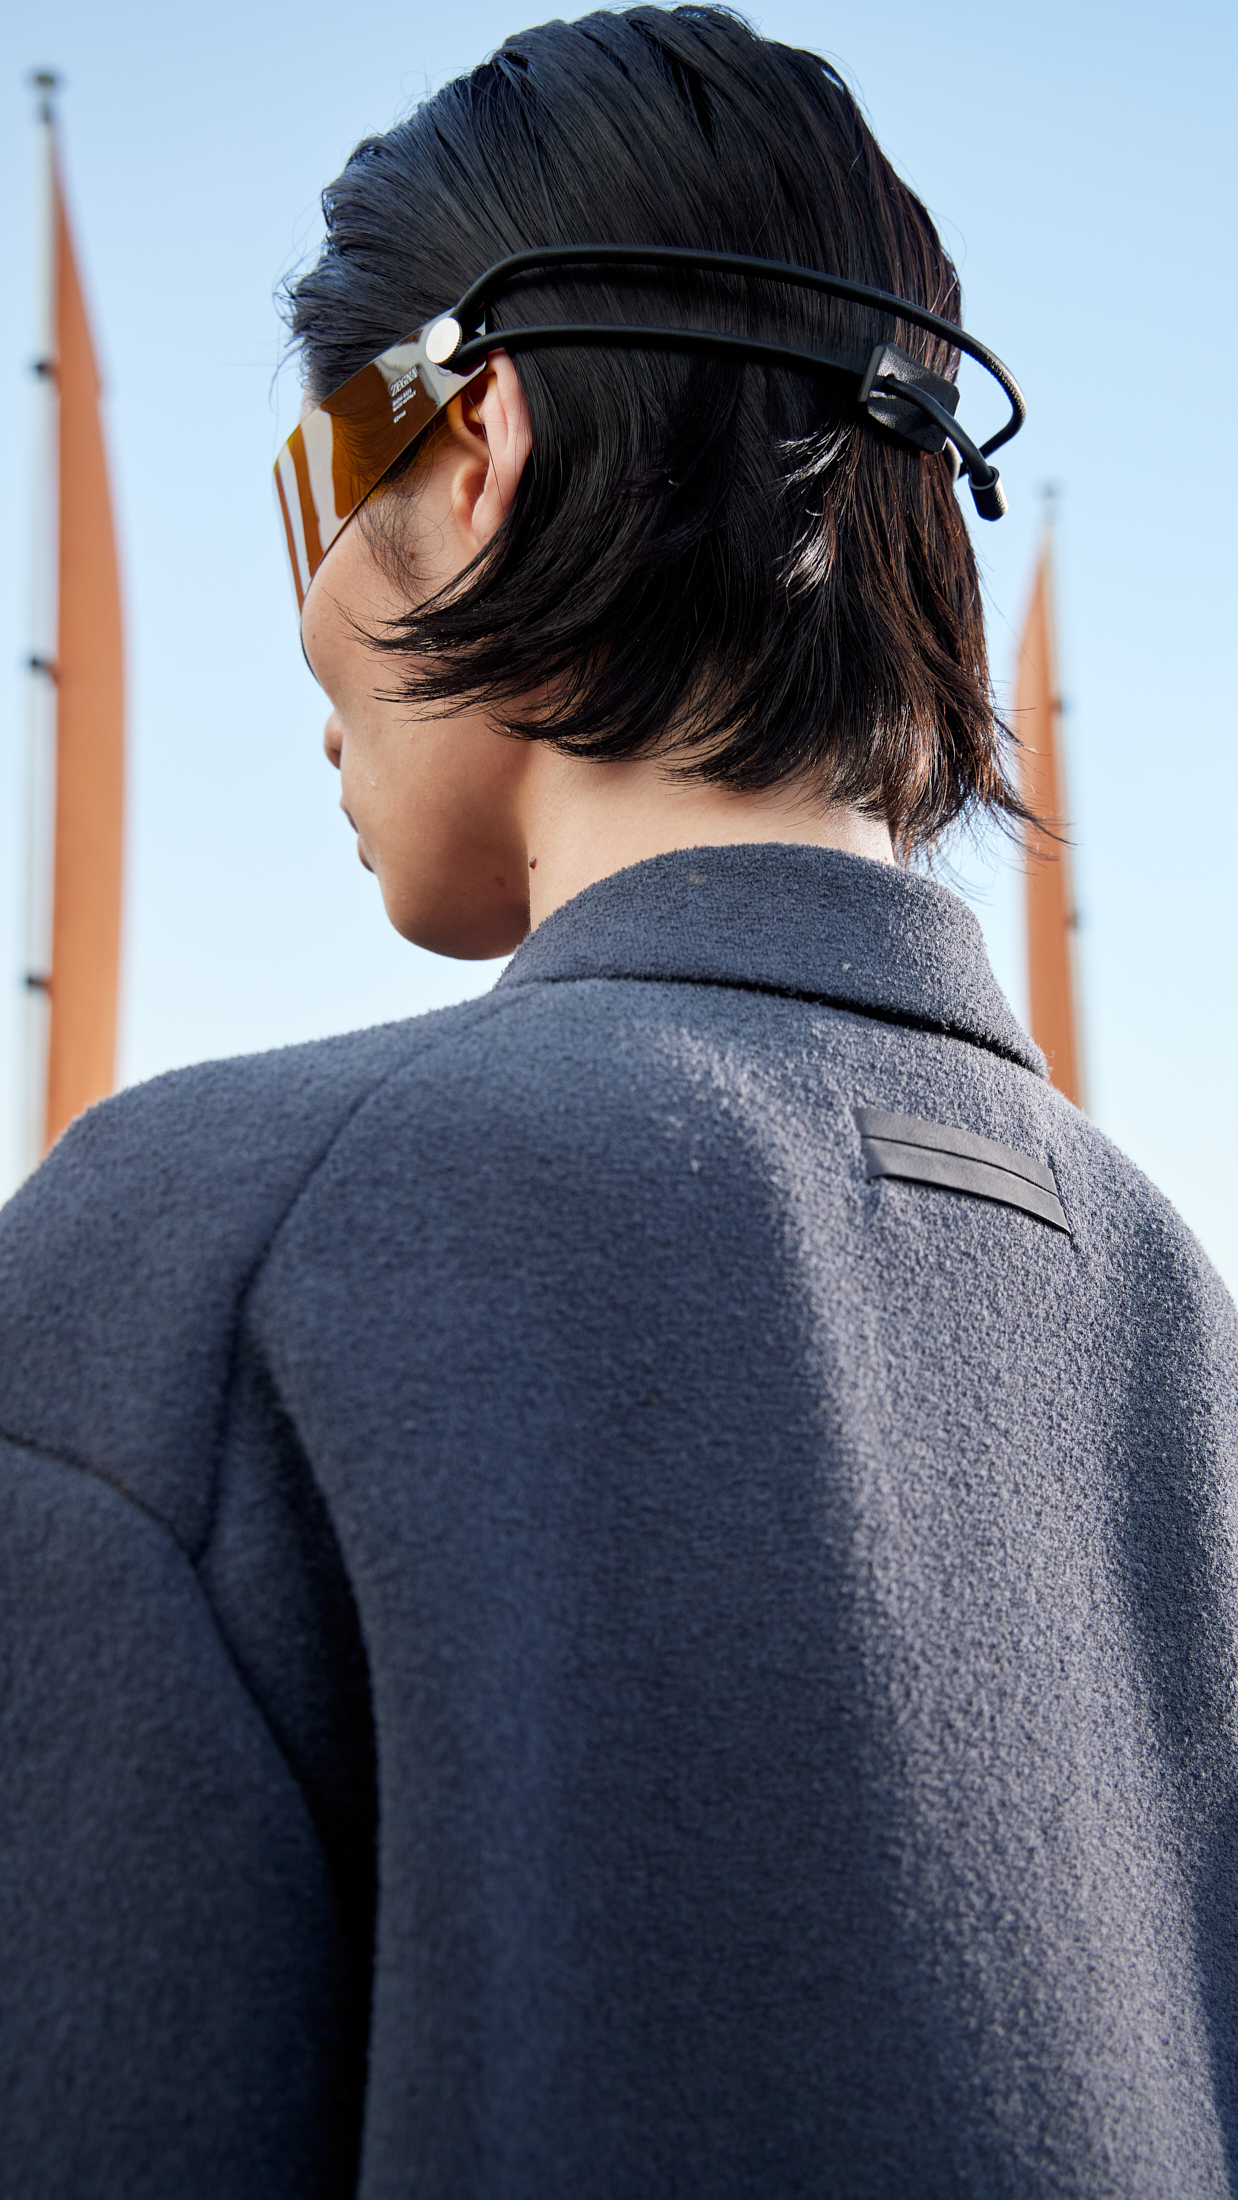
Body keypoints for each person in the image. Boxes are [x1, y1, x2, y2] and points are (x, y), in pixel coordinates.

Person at [2, 8, 1235, 2195]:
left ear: (477, 436)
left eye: (311, 491)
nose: (304, 629)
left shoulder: (202, 1251)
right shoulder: (1185, 1335)